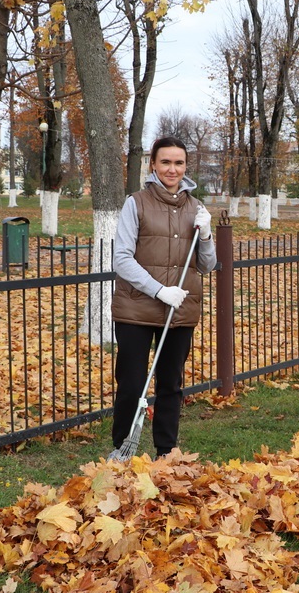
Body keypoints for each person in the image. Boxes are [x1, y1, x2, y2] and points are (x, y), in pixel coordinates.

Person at [108, 136, 216, 461]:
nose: (172, 169)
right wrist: (159, 290)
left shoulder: (197, 208)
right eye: (166, 162)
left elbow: (208, 265)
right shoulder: (136, 203)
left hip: (180, 312)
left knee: (171, 385)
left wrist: (207, 235)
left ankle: (165, 453)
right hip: (136, 309)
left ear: (186, 167)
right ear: (153, 164)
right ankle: (122, 450)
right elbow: (122, 259)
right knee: (131, 385)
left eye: (179, 163)